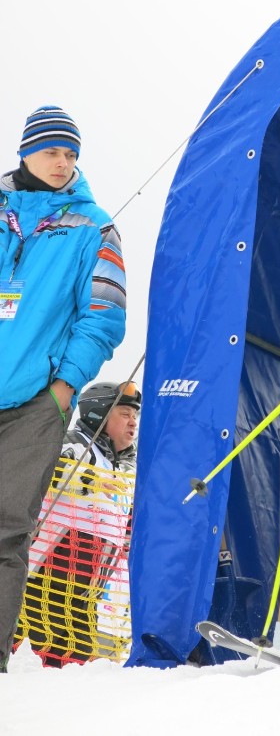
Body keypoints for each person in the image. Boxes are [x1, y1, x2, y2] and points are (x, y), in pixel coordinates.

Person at [0, 107, 126, 673]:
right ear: (26, 151)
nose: (63, 162)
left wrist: (63, 387)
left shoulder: (94, 226)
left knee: (6, 530)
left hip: (34, 405)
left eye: (71, 154)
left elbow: (104, 314)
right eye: (52, 151)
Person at [23, 381, 141, 667]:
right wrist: (91, 480)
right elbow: (55, 467)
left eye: (135, 415)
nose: (133, 421)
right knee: (34, 655)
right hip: (46, 581)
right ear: (99, 414)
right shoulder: (77, 446)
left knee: (77, 661)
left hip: (89, 594)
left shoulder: (127, 469)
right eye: (124, 413)